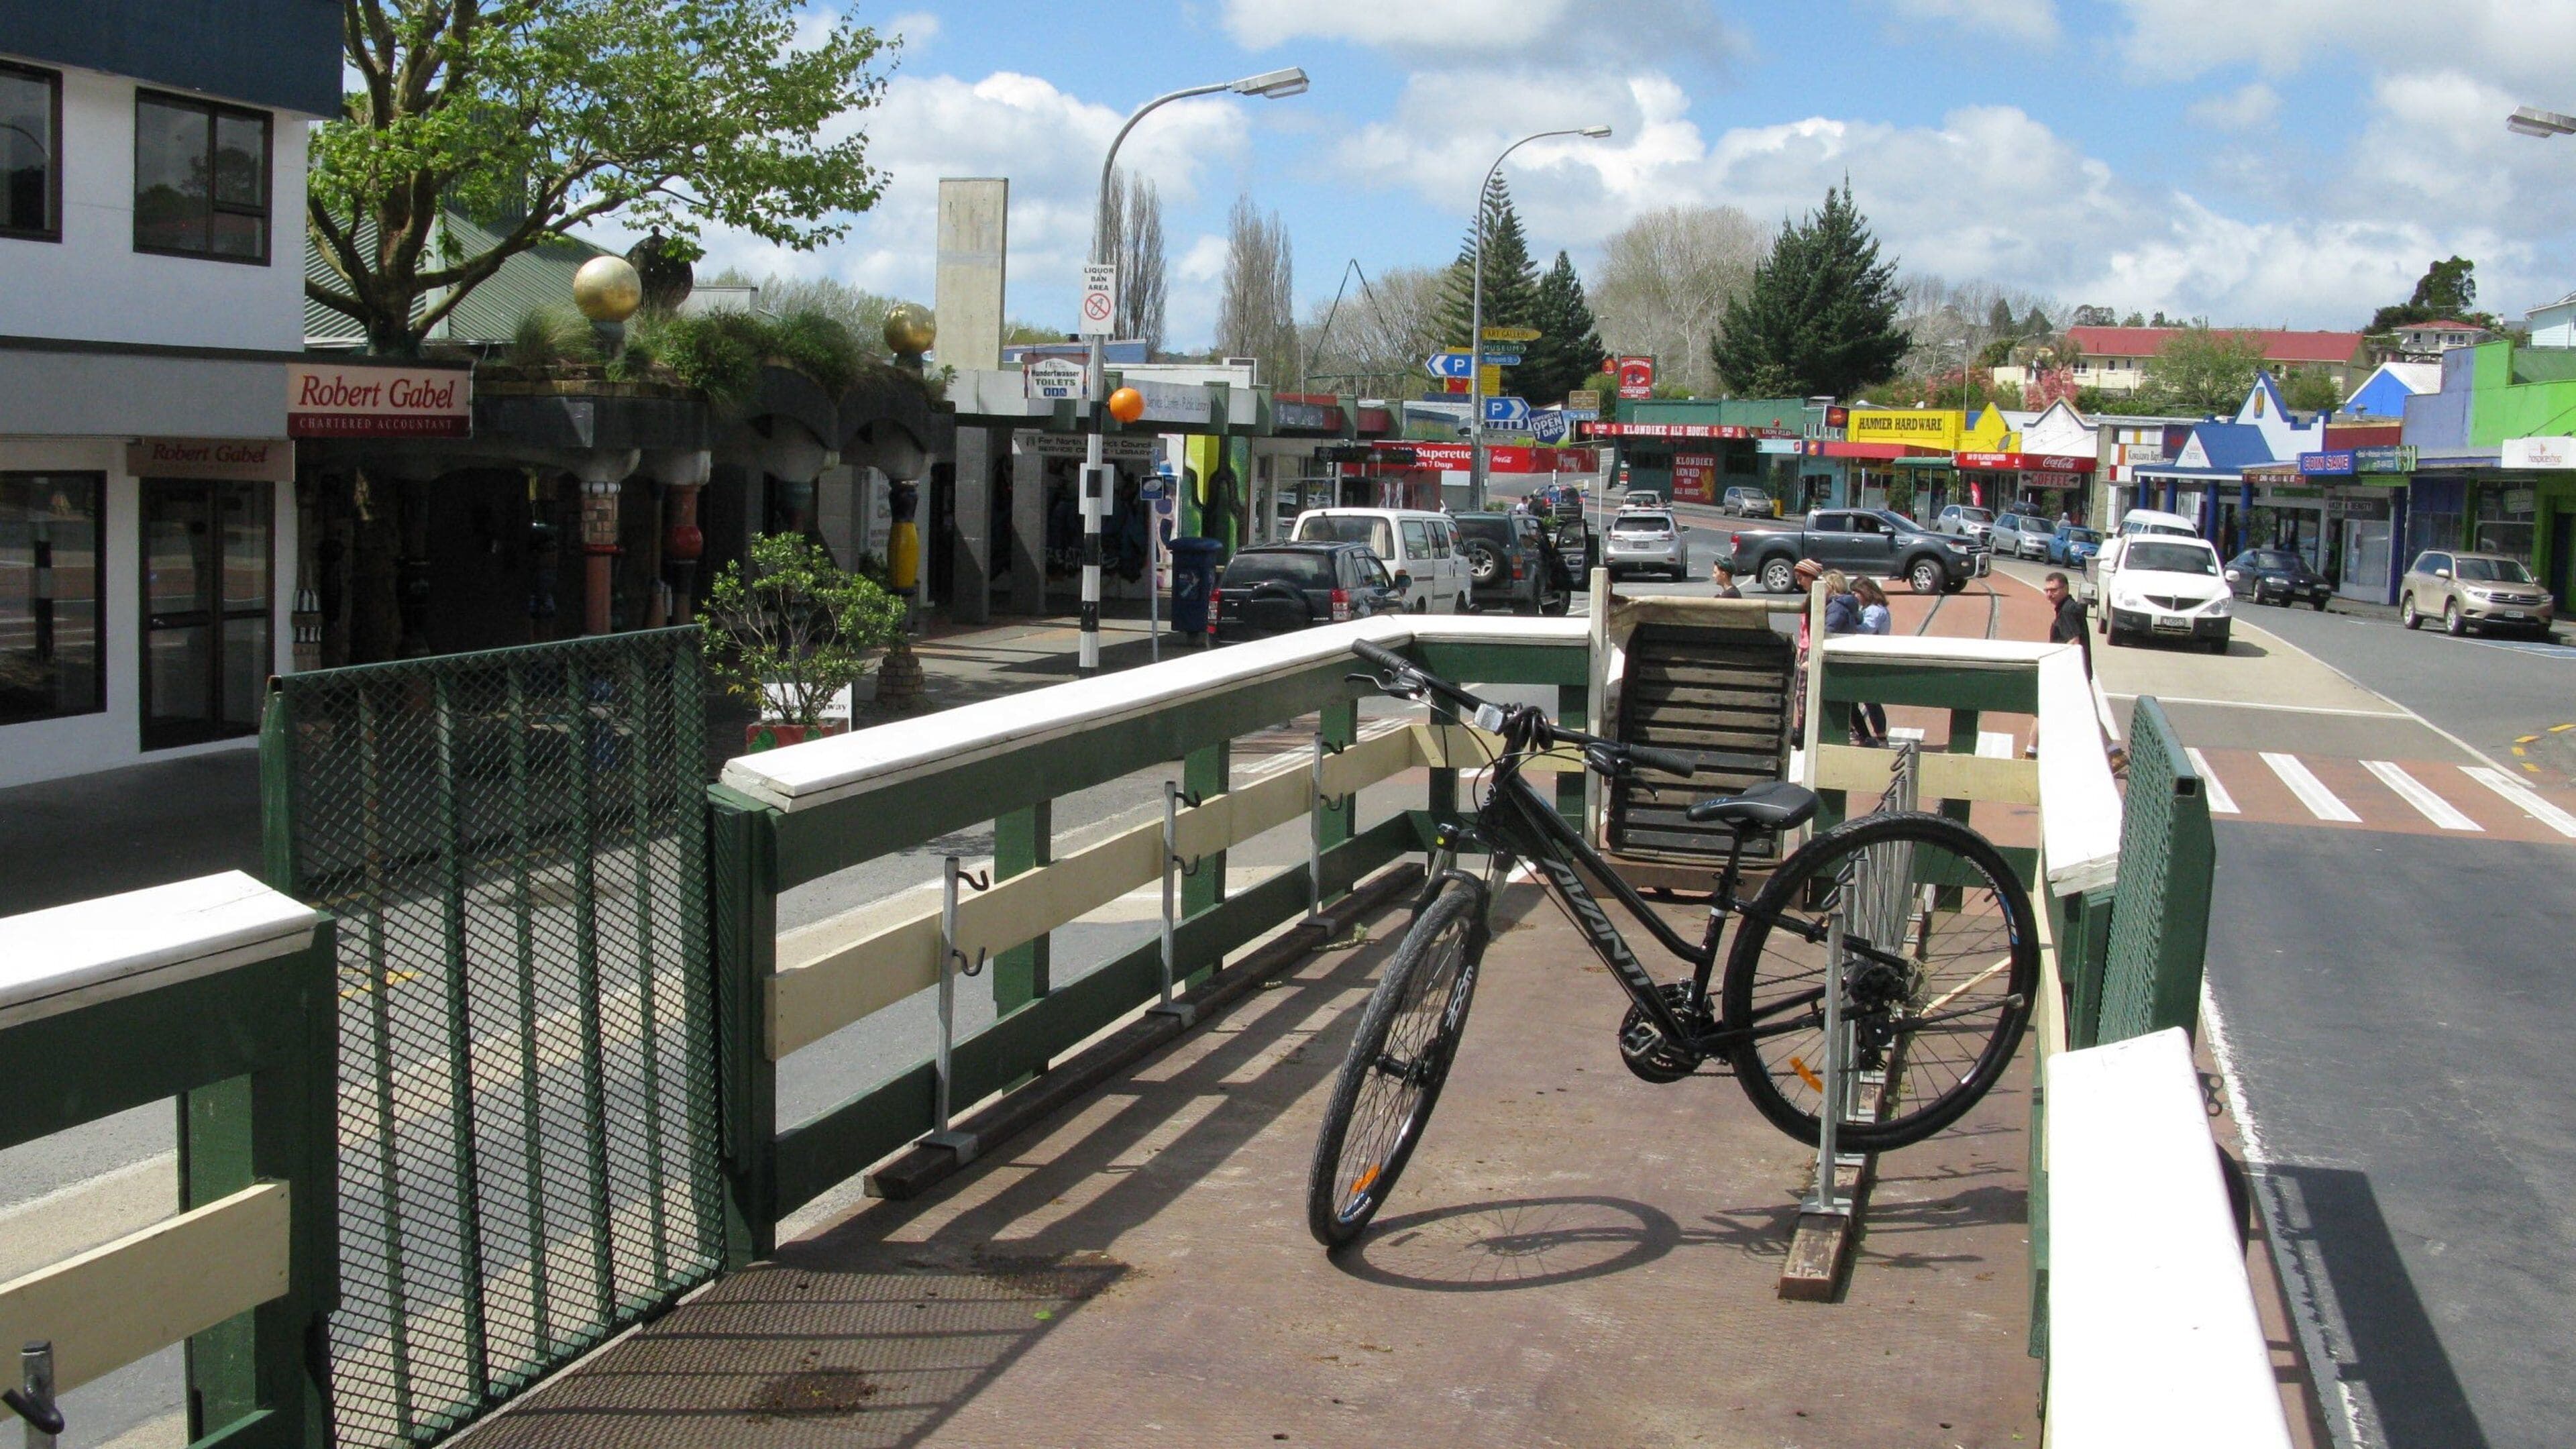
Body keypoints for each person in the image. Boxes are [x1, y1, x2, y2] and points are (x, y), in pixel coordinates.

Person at [1851, 577, 1892, 745]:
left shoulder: (1875, 610)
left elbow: (1866, 629)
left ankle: (1880, 735)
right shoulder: (1871, 608)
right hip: (1867, 657)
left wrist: (1849, 622)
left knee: (1870, 698)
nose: (1854, 596)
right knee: (1868, 698)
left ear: (1866, 592)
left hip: (1869, 658)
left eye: (1856, 592)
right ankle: (1867, 732)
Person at [2044, 570, 2091, 674]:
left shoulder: (2067, 611)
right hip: (2077, 670)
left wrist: (2054, 662)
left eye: (2053, 590)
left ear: (2065, 589)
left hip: (2070, 672)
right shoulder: (2069, 607)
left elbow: (2074, 642)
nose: (2049, 594)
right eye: (2046, 591)